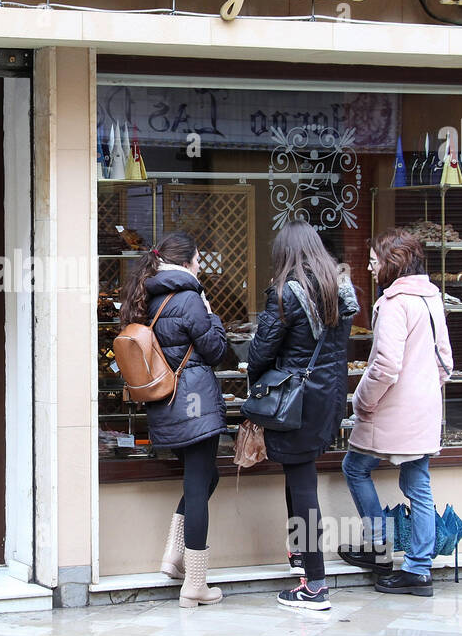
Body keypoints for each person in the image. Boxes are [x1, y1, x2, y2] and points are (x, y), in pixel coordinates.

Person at [248, 221, 358, 611]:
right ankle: (300, 557)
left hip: (296, 400)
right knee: (300, 474)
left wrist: (256, 377)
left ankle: (314, 583)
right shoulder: (339, 290)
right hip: (328, 397)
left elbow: (261, 351)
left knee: (302, 483)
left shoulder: (287, 294)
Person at [338, 228, 453, 597]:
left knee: (354, 467)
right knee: (418, 484)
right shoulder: (432, 298)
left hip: (391, 408)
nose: (369, 267)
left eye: (373, 260)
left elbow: (386, 365)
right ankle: (418, 569)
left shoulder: (393, 303)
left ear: (391, 263)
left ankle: (379, 548)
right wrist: (423, 391)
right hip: (424, 408)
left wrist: (362, 400)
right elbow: (445, 361)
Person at [122, 232, 230, 608]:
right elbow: (215, 350)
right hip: (195, 404)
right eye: (199, 258)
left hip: (165, 404)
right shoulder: (189, 299)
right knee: (199, 486)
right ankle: (195, 583)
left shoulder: (146, 297)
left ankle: (173, 555)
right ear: (186, 262)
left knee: (203, 478)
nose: (201, 264)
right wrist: (212, 312)